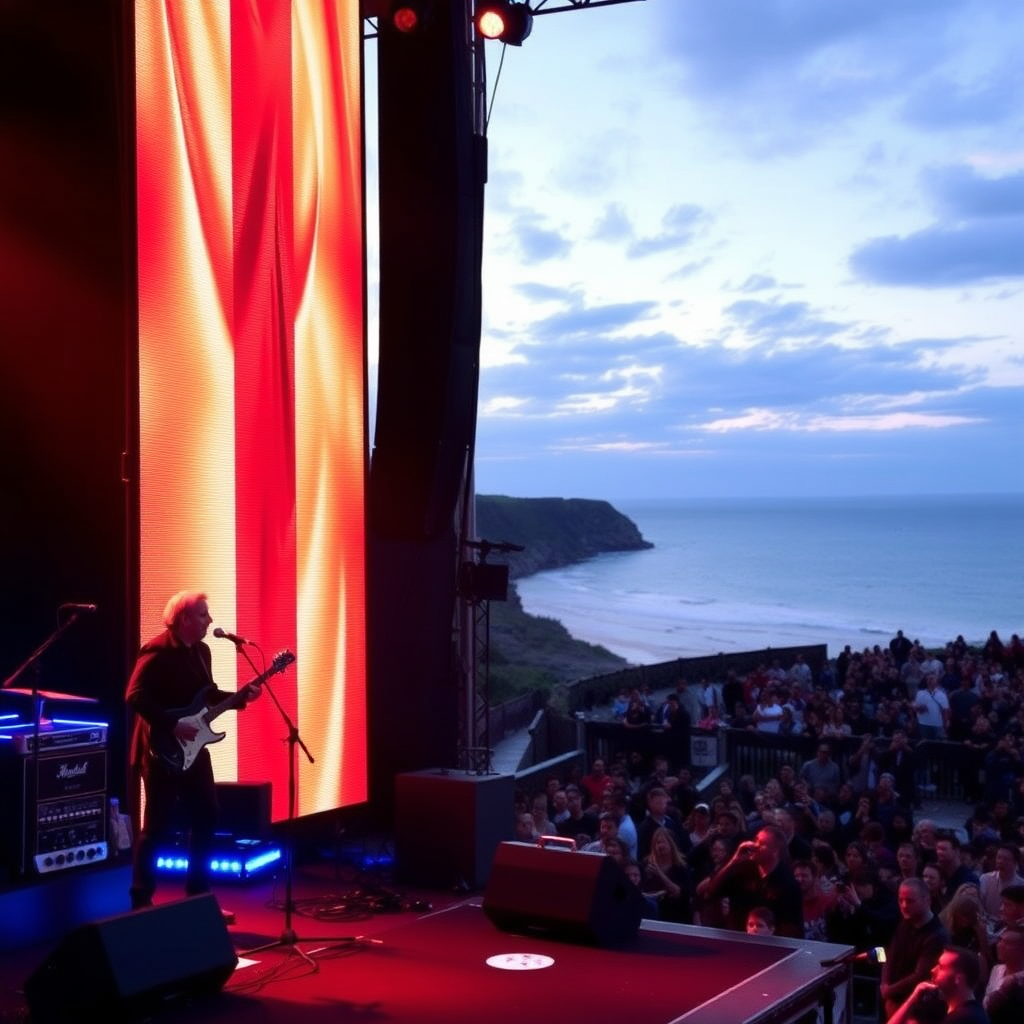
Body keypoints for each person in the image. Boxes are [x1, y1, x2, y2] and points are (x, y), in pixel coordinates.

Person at [126, 590, 262, 910]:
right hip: (161, 750)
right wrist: (172, 726)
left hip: (194, 747)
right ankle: (140, 900)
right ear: (184, 619)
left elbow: (207, 695)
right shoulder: (157, 651)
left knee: (208, 813)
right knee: (156, 826)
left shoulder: (201, 651)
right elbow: (134, 696)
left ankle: (198, 896)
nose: (210, 620)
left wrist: (242, 696)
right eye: (203, 615)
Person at [703, 824, 803, 938]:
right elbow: (712, 892)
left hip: (769, 946)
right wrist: (734, 860)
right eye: (755, 840)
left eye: (762, 844)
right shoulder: (742, 868)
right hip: (737, 939)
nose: (755, 846)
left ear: (775, 851)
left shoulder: (787, 883)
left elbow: (791, 927)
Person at [880, 877, 950, 1019]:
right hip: (893, 999)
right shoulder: (905, 923)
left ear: (927, 900)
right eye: (901, 900)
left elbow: (921, 976)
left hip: (915, 1008)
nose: (904, 905)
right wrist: (884, 984)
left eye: (910, 901)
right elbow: (890, 953)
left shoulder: (936, 936)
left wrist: (889, 991)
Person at [886, 946, 989, 1024]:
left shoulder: (964, 1019)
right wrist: (913, 999)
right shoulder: (946, 1008)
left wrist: (911, 1002)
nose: (932, 970)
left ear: (958, 979)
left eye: (941, 967)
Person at [984, 924, 1024, 1024]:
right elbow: (986, 1003)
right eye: (1000, 940)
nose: (999, 945)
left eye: (1008, 943)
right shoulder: (997, 969)